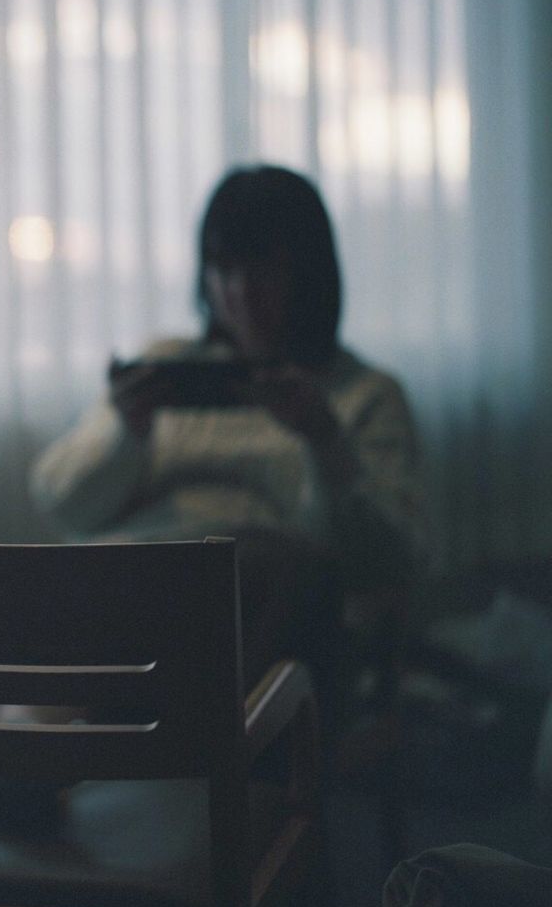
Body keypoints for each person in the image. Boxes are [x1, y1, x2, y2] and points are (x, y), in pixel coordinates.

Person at [27, 164, 429, 689]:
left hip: (250, 610)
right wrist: (128, 436)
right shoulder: (165, 368)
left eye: (263, 272)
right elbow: (63, 504)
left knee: (263, 560)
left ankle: (48, 716)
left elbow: (386, 560)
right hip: (121, 586)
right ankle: (25, 707)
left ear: (306, 273)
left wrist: (323, 438)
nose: (240, 293)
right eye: (223, 271)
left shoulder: (363, 396)